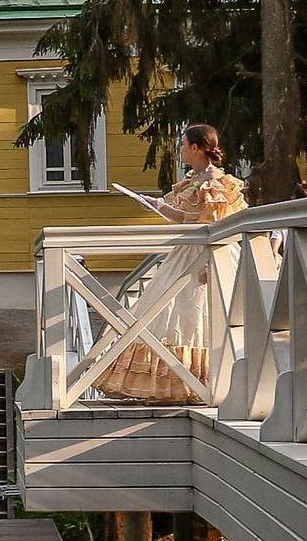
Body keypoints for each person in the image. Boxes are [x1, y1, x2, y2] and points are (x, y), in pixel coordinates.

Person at [96, 124, 246, 402]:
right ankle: (182, 382)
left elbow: (216, 223)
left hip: (205, 254)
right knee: (171, 312)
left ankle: (208, 381)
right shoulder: (194, 179)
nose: (181, 150)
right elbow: (185, 216)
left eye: (184, 145)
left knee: (196, 315)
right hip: (186, 253)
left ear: (196, 148)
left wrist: (209, 263)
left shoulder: (216, 181)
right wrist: (157, 206)